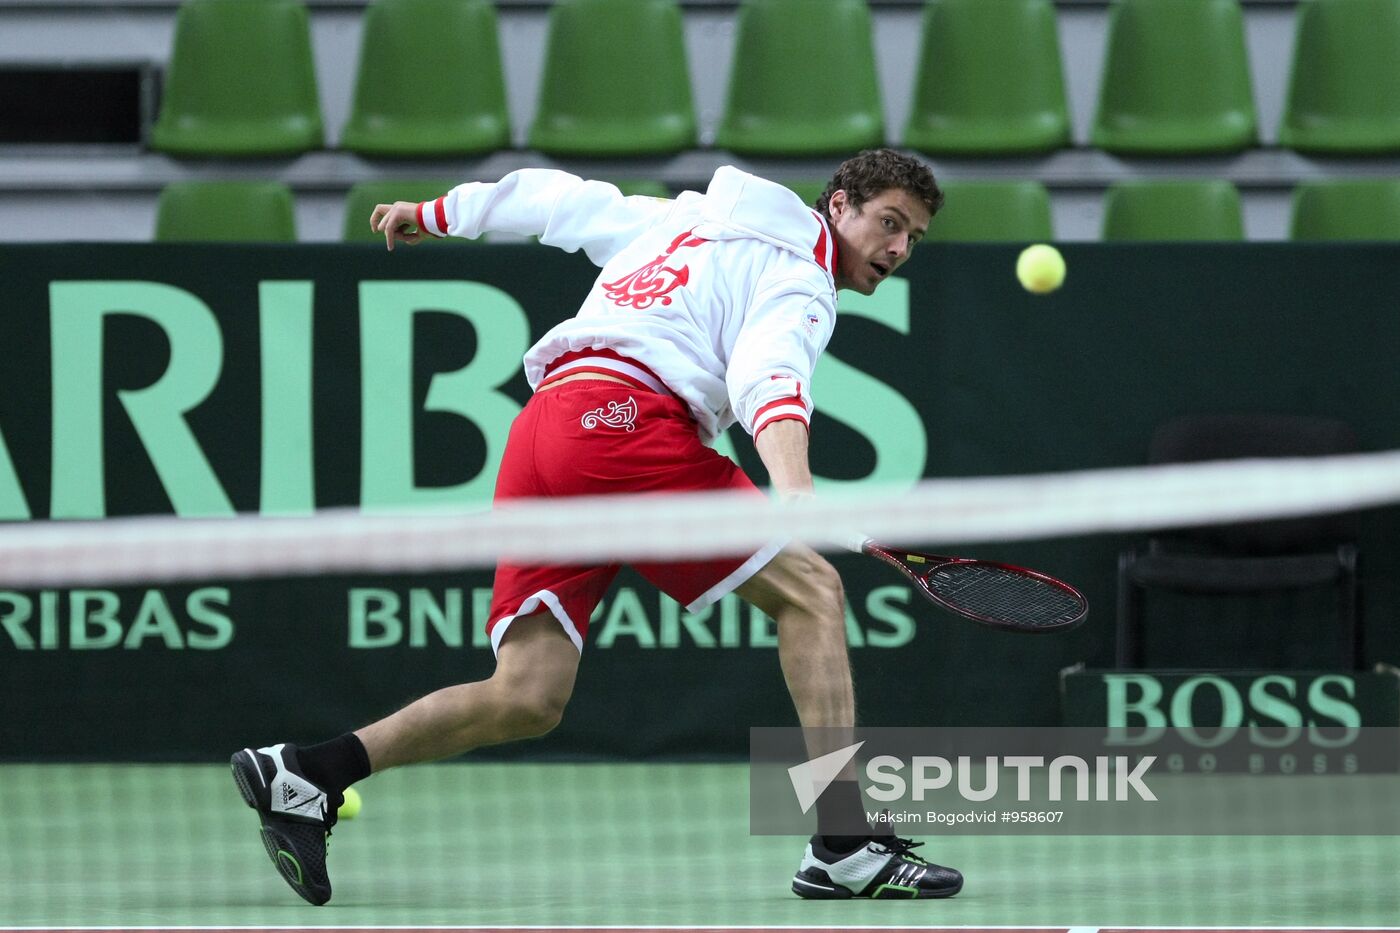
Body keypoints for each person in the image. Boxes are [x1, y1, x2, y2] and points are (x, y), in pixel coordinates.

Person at [230, 148, 960, 905]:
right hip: (625, 427)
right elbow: (767, 374)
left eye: (913, 236)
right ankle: (843, 843)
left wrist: (439, 213)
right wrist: (795, 489)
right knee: (812, 592)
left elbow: (557, 202)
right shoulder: (802, 276)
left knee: (527, 695)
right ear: (839, 205)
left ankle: (306, 773)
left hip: (544, 430)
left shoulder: (685, 217)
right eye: (889, 223)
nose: (898, 247)